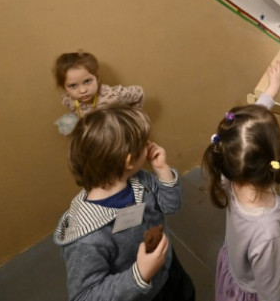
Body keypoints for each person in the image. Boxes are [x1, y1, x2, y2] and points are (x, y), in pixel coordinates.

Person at [53, 106, 195, 300]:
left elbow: (171, 206)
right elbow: (84, 296)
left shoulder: (140, 179)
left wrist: (162, 171)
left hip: (169, 270)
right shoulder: (87, 239)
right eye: (144, 143)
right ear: (129, 161)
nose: (150, 145)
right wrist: (139, 275)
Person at [202, 62, 280, 301]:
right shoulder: (268, 231)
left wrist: (270, 93)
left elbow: (245, 134)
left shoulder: (230, 173)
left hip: (235, 266)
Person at [53, 52, 144, 134]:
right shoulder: (68, 99)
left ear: (97, 77)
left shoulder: (111, 95)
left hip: (116, 137)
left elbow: (139, 93)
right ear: (64, 88)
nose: (83, 90)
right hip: (94, 137)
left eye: (87, 81)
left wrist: (134, 123)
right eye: (73, 86)